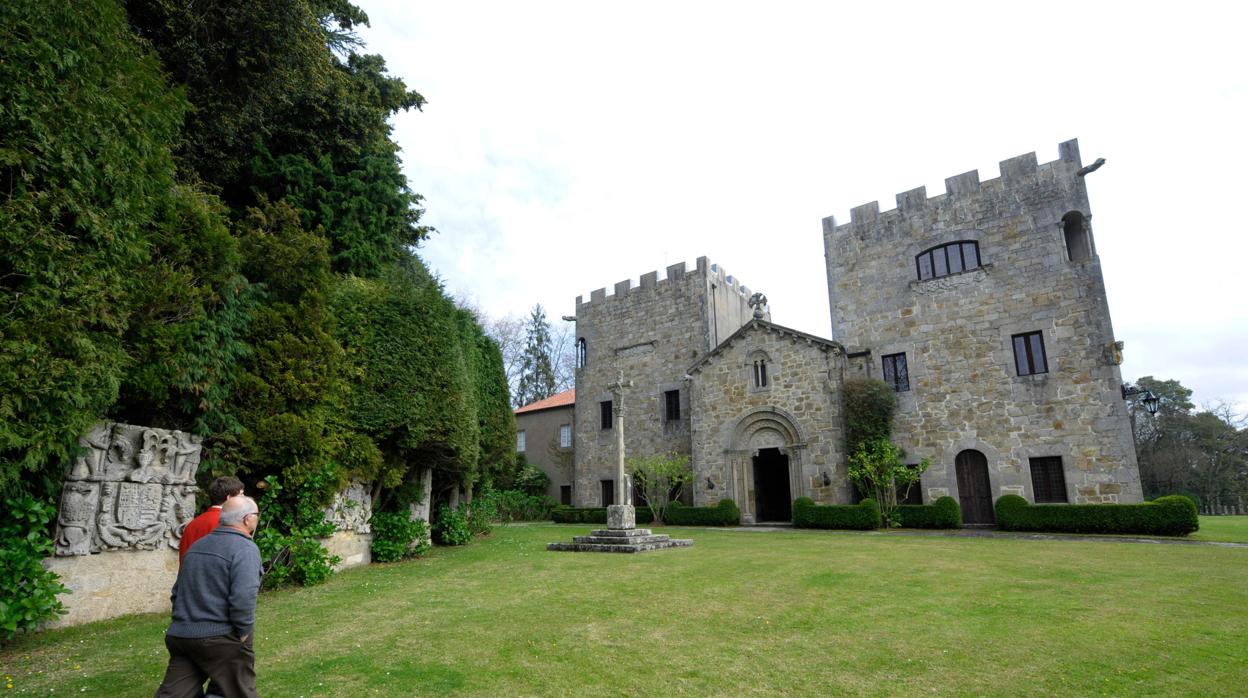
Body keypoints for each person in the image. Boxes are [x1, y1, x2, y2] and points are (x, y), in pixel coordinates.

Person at [155, 496, 262, 698]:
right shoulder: (245, 548)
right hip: (220, 637)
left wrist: (183, 622)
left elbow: (177, 592)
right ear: (248, 519)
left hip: (182, 636)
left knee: (175, 694)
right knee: (238, 691)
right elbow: (243, 597)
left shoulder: (197, 546)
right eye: (256, 515)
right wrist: (244, 630)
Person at [179, 476, 245, 564]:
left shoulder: (193, 523)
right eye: (241, 495)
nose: (244, 498)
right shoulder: (227, 524)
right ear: (229, 498)